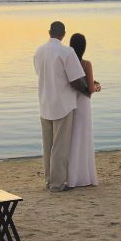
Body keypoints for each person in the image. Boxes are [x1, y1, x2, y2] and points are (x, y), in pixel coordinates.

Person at [33, 21, 87, 192]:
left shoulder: (38, 51)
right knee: (60, 147)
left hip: (45, 102)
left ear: (49, 32)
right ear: (63, 34)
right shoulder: (67, 52)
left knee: (47, 146)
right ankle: (57, 184)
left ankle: (49, 181)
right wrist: (88, 90)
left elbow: (40, 74)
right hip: (63, 104)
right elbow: (75, 80)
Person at [67, 33, 100, 187]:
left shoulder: (67, 63)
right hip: (84, 104)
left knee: (72, 138)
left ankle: (71, 177)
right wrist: (97, 86)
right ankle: (85, 176)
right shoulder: (86, 64)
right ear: (84, 47)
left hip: (70, 102)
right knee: (84, 138)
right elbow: (91, 89)